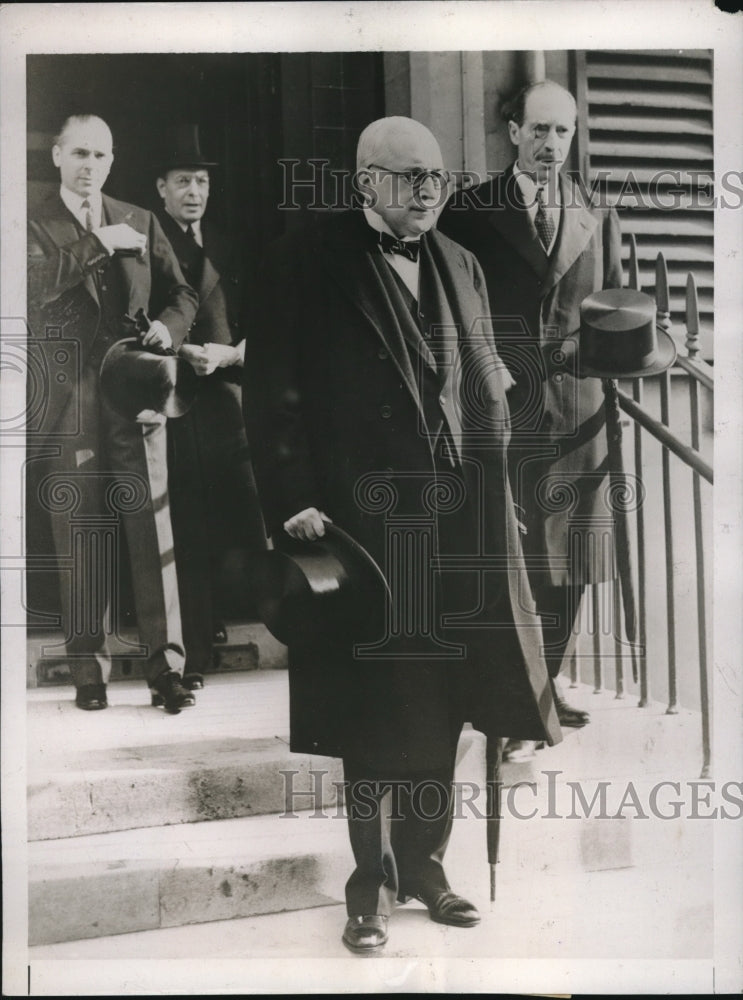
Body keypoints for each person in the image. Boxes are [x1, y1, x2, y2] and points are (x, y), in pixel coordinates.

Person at [244, 116, 561, 954]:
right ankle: (367, 886)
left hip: (455, 520)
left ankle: (426, 867)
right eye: (409, 176)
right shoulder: (305, 259)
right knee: (371, 704)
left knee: (448, 703)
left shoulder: (459, 263)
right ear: (364, 182)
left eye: (437, 178)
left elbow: (484, 389)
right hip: (359, 521)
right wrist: (294, 496)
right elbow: (271, 390)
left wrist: (501, 499)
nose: (427, 191)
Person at [441, 80, 624, 760]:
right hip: (502, 407)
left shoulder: (595, 212)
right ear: (512, 132)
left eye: (563, 132)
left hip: (576, 411)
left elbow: (613, 307)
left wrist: (593, 350)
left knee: (571, 555)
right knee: (506, 554)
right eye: (539, 130)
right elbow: (453, 313)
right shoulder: (468, 211)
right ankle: (503, 697)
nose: (551, 145)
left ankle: (543, 684)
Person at [27, 114, 199, 714]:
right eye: (79, 153)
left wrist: (167, 329)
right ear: (56, 155)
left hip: (135, 385)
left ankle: (166, 670)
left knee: (153, 523)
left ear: (112, 160)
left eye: (100, 156)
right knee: (81, 531)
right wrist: (98, 243)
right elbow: (31, 286)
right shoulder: (30, 219)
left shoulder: (141, 218)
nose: (89, 166)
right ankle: (87, 672)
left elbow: (184, 294)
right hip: (71, 396)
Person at [153, 125, 268, 682]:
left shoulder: (230, 244)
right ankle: (193, 651)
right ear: (162, 189)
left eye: (200, 181)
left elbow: (261, 325)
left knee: (247, 522)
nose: (193, 191)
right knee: (188, 530)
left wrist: (228, 355)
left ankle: (261, 623)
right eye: (182, 181)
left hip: (229, 403)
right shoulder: (152, 243)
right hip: (175, 405)